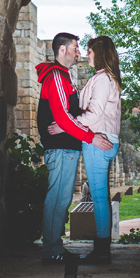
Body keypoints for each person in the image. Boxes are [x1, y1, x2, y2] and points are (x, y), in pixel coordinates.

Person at [36, 32, 110, 264]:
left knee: (62, 198)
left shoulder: (64, 77)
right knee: (57, 198)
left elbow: (69, 117)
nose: (79, 52)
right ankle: (51, 250)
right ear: (62, 50)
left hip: (66, 147)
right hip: (60, 148)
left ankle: (54, 247)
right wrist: (91, 138)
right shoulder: (56, 76)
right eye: (75, 48)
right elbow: (63, 118)